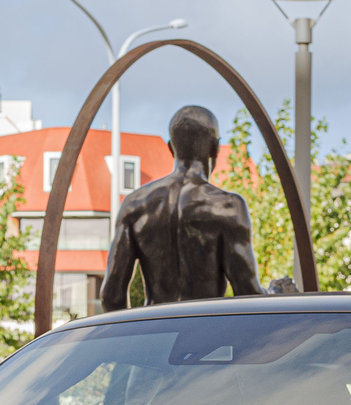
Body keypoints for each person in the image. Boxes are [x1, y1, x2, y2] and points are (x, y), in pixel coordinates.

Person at [100, 105, 269, 310]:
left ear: (171, 148)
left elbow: (111, 295)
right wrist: (279, 293)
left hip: (156, 330)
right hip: (204, 331)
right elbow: (248, 293)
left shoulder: (134, 204)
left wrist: (129, 339)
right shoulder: (228, 206)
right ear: (215, 148)